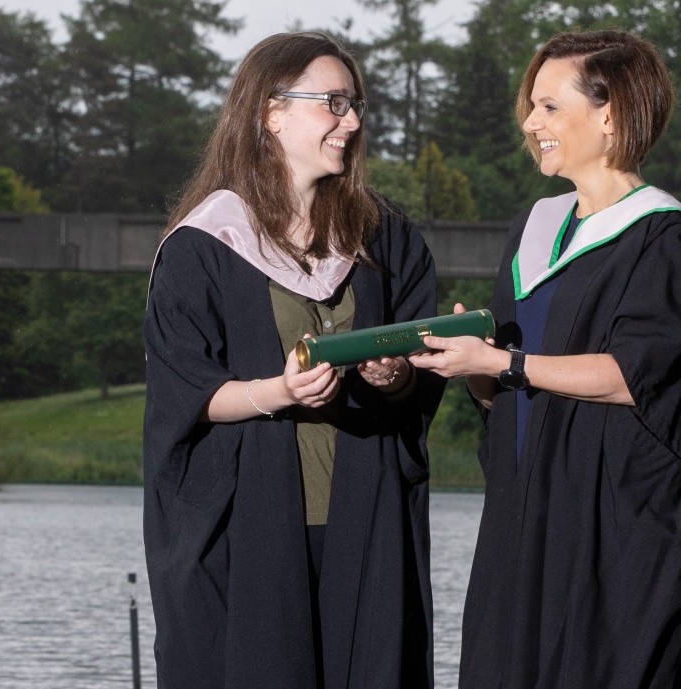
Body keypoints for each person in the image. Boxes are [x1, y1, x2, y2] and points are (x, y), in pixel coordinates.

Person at [408, 29, 681, 688]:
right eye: (532, 106)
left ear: (609, 114)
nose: (531, 123)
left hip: (614, 539)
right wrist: (470, 364)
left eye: (550, 107)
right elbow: (504, 391)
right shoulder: (534, 229)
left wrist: (505, 364)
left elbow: (631, 377)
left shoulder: (665, 239)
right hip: (522, 527)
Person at [141, 32, 443, 689]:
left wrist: (397, 378)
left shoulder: (384, 239)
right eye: (334, 103)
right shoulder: (205, 243)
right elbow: (183, 394)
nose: (353, 121)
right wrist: (278, 391)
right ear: (270, 111)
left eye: (355, 103)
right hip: (246, 528)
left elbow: (418, 365)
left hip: (365, 523)